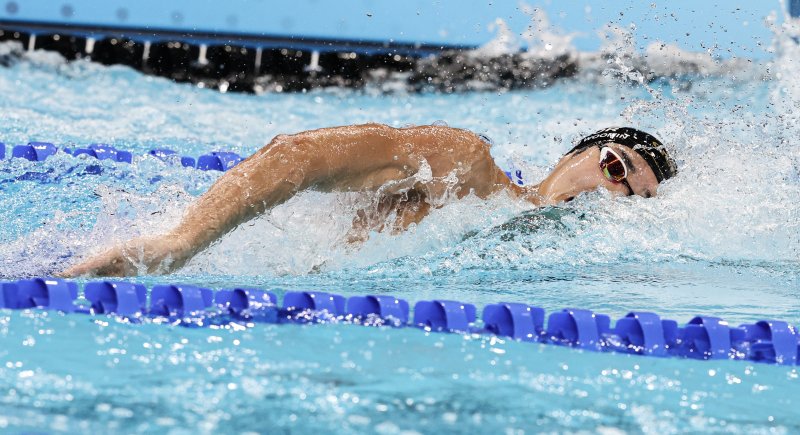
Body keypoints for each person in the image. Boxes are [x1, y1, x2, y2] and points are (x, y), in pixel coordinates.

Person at [60, 124, 677, 277]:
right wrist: (182, 242)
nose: (609, 195)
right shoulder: (463, 166)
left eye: (633, 200)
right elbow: (294, 156)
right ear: (575, 155)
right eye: (615, 167)